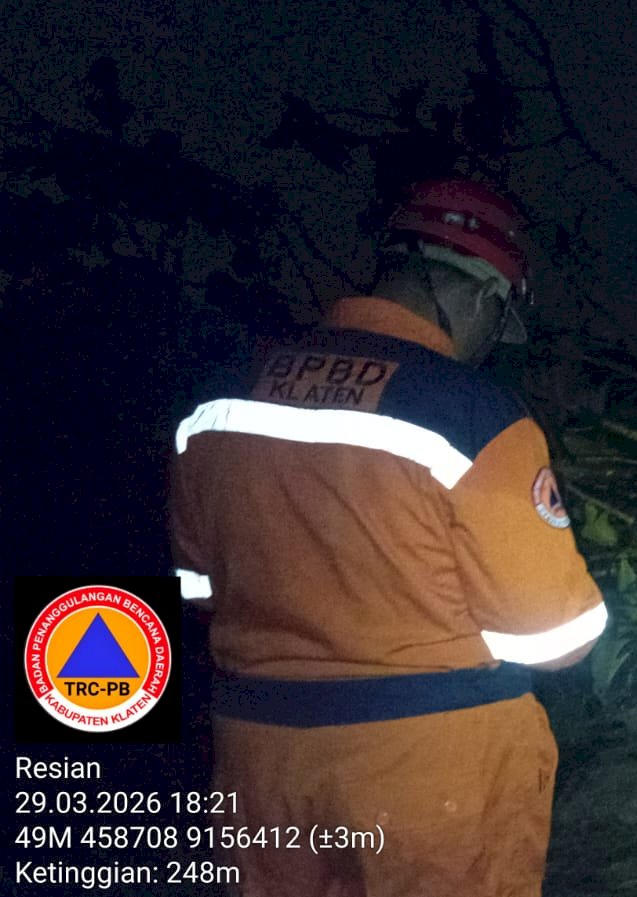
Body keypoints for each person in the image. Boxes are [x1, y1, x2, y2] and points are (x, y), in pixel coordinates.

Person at [169, 178, 607, 896]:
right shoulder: (474, 416)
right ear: (476, 297)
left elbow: (201, 590)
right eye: (497, 318)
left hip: (260, 767)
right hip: (431, 777)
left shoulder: (228, 395)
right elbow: (557, 637)